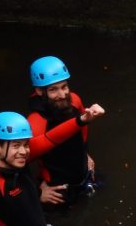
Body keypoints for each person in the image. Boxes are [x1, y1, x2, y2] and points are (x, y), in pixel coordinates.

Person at [27, 56, 106, 207]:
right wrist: (38, 191)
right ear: (39, 91)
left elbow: (83, 125)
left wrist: (86, 154)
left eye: (64, 87)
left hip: (83, 173)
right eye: (53, 90)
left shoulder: (74, 100)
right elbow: (18, 162)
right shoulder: (36, 121)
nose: (62, 95)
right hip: (57, 189)